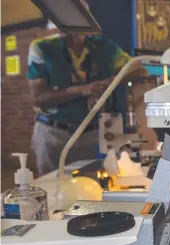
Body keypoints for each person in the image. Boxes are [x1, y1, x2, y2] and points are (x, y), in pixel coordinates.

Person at [27, 30, 147, 176]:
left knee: (88, 188)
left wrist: (106, 84)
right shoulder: (42, 47)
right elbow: (38, 97)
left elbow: (139, 69)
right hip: (53, 133)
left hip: (90, 133)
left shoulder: (104, 47)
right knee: (52, 186)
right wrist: (82, 90)